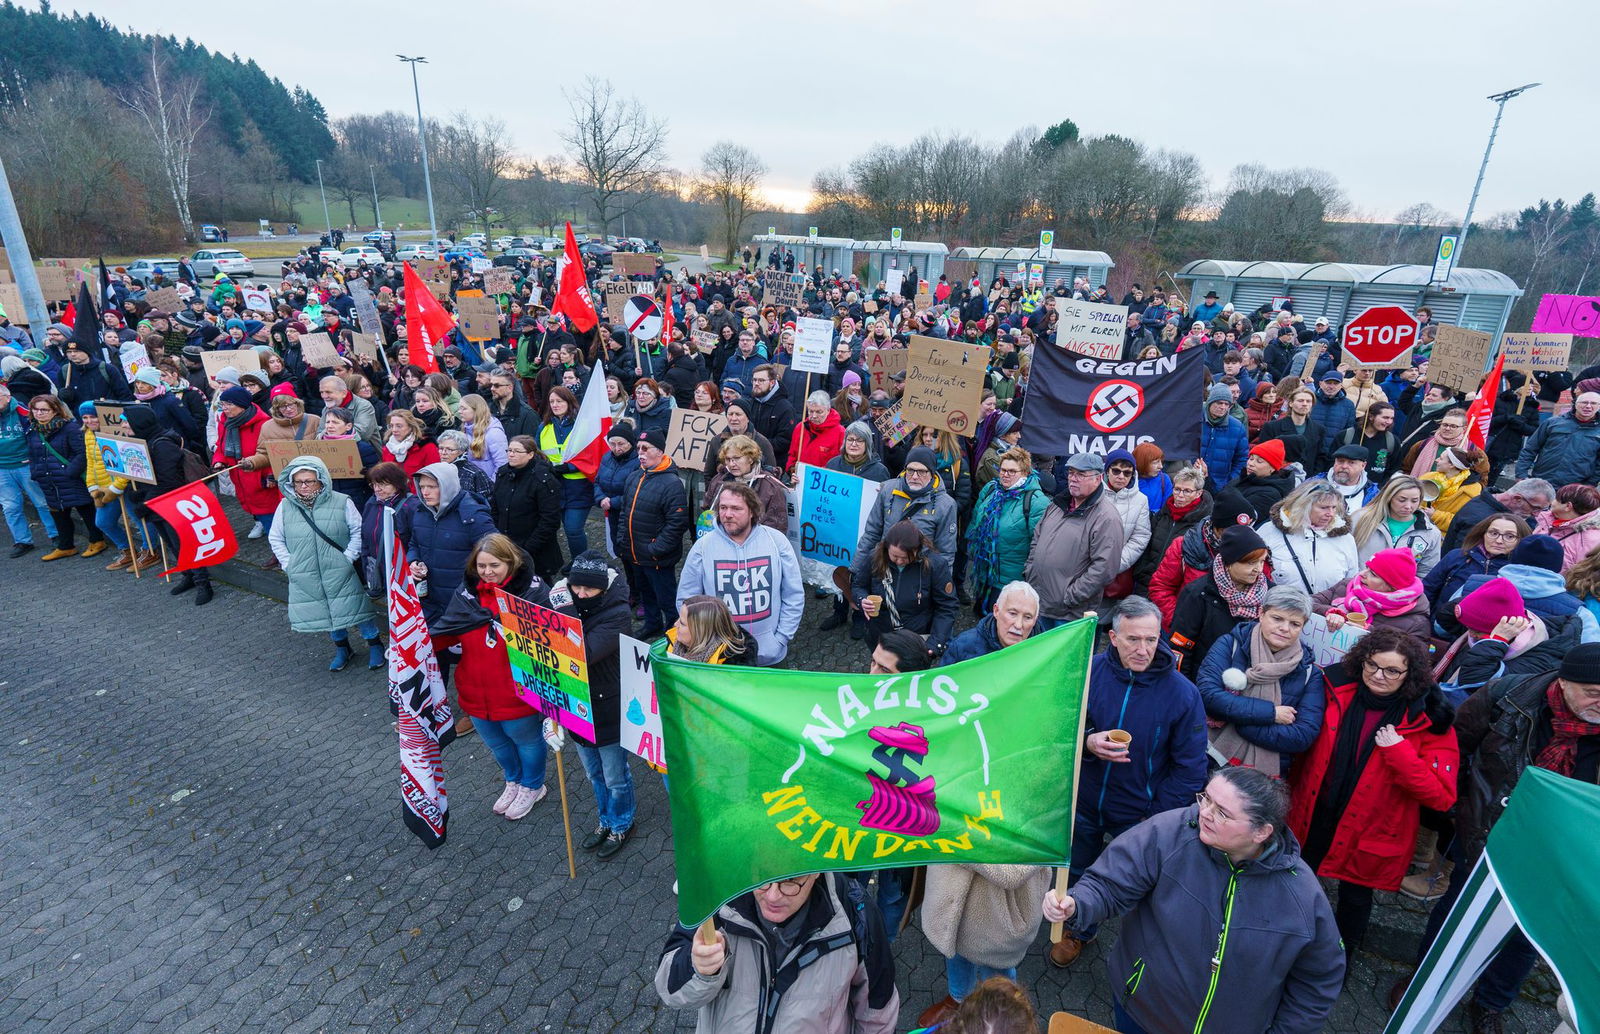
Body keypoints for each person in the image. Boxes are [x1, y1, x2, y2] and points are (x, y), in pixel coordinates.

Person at [1042, 767, 1345, 1034]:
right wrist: (1077, 904)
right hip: (1140, 1011)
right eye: (1206, 798)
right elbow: (1110, 883)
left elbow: (1318, 981)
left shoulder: (1303, 897)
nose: (1205, 813)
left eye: (1222, 812)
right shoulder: (1169, 832)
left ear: (1261, 832)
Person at [1394, 643, 1600, 1032]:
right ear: (1564, 681)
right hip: (1489, 835)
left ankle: (1491, 1002)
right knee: (1456, 913)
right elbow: (1453, 747)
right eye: (1593, 692)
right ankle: (1425, 985)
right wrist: (1457, 810)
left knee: (1529, 935)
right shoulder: (1508, 696)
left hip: (1560, 854)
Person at [1052, 596, 1208, 969]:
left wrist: (1153, 817)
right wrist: (1089, 742)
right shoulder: (1087, 672)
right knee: (1078, 869)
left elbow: (1190, 768)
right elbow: (1060, 724)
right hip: (1084, 801)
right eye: (1133, 639)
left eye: (1152, 640)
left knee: (1126, 881)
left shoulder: (1183, 694)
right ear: (1113, 637)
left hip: (1137, 813)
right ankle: (1076, 928)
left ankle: (1131, 944)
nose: (1144, 650)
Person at [1288, 627, 1458, 964]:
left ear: (1411, 674)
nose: (1379, 676)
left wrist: (1399, 752)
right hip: (1314, 810)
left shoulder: (1431, 720)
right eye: (1372, 666)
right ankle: (1287, 945)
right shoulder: (1333, 687)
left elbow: (1441, 797)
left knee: (1355, 895)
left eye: (1392, 670)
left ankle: (1340, 959)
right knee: (1296, 882)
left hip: (1370, 825)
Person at [654, 870, 900, 1034]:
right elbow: (669, 989)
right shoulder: (717, 898)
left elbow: (877, 1012)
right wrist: (698, 968)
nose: (772, 895)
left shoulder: (856, 914)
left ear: (816, 872)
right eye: (763, 875)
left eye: (790, 881)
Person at [430, 533, 552, 819]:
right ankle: (513, 781)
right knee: (497, 744)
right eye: (481, 566)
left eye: (494, 565)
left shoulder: (533, 594)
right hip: (474, 690)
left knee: (527, 742)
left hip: (516, 691)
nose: (487, 572)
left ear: (512, 562)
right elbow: (447, 630)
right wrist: (414, 646)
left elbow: (551, 646)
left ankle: (533, 786)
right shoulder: (466, 594)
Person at [548, 550, 637, 859]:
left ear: (603, 588)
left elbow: (579, 655)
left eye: (589, 589)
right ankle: (606, 819)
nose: (581, 594)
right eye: (575, 587)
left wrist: (567, 610)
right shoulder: (570, 599)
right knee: (593, 775)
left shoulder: (617, 613)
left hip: (607, 705)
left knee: (615, 775)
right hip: (577, 706)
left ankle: (622, 823)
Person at [266, 455, 384, 671]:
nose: (303, 486)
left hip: (340, 569)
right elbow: (276, 538)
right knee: (326, 612)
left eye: (308, 481)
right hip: (306, 572)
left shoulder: (342, 501)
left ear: (321, 480)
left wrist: (348, 557)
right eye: (298, 482)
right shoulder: (284, 506)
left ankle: (375, 644)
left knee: (357, 608)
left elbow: (358, 531)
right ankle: (342, 648)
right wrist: (288, 564)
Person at [1196, 585, 1323, 774]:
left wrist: (1240, 723)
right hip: (1207, 757)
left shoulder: (1308, 671)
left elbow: (1302, 736)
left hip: (1263, 777)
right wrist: (1271, 714)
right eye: (1277, 618)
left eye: (1295, 624)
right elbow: (1208, 696)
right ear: (1261, 614)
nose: (1284, 628)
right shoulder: (1231, 644)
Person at [676, 480, 803, 666]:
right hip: (720, 657)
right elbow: (686, 601)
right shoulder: (702, 547)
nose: (727, 514)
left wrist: (781, 638)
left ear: (752, 511)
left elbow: (794, 595)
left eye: (736, 508)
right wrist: (705, 643)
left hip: (771, 655)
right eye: (723, 507)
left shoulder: (777, 541)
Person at [915, 860, 1050, 1028]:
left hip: (998, 913)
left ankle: (1004, 1016)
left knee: (998, 973)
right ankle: (958, 998)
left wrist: (956, 845)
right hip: (951, 898)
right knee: (954, 949)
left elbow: (1013, 872)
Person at [1024, 453, 1124, 629]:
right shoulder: (1056, 504)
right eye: (1071, 473)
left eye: (1081, 474)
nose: (1073, 479)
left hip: (1069, 614)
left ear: (1098, 478)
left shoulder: (1107, 517)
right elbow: (1036, 540)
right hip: (1040, 603)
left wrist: (1070, 597)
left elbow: (1104, 569)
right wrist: (1031, 571)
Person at [1170, 525, 1272, 680]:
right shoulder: (1198, 594)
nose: (1258, 569)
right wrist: (1186, 688)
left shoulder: (1271, 594)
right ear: (1229, 562)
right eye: (1250, 563)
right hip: (1206, 682)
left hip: (1252, 683)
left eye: (1261, 561)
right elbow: (1180, 647)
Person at [407, 461, 498, 631]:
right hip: (430, 601)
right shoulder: (421, 512)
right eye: (422, 486)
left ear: (447, 485)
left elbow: (497, 555)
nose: (425, 492)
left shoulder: (473, 516)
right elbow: (414, 544)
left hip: (464, 604)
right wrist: (413, 561)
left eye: (432, 487)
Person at [1148, 489, 1258, 627]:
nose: (1241, 537)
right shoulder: (1185, 545)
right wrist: (1180, 621)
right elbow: (1161, 587)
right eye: (1232, 531)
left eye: (1246, 529)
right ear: (1218, 528)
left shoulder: (1256, 551)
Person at [618, 429, 690, 639]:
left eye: (645, 448)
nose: (640, 453)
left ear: (659, 452)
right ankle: (653, 624)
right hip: (635, 553)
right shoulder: (635, 476)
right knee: (646, 593)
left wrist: (655, 549)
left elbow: (677, 522)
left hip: (656, 557)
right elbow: (625, 510)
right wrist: (623, 539)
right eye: (638, 448)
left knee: (666, 598)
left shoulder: (671, 483)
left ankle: (674, 632)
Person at [852, 519, 958, 658]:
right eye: (895, 556)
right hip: (880, 636)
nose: (900, 561)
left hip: (915, 640)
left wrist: (936, 642)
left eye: (906, 557)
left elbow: (947, 605)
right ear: (886, 548)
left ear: (917, 550)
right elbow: (858, 586)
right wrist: (862, 600)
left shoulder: (935, 565)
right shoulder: (874, 558)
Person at [22, 393, 105, 561]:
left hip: (70, 478)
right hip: (47, 479)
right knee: (58, 512)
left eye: (44, 410)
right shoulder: (33, 430)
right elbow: (33, 454)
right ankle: (66, 546)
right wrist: (36, 472)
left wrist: (69, 473)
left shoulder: (70, 428)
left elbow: (81, 454)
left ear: (55, 410)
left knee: (85, 508)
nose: (39, 413)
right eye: (35, 410)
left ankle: (97, 540)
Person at [967, 449, 1048, 614]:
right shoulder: (991, 489)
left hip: (1011, 580)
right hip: (984, 574)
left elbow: (1039, 546)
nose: (1005, 475)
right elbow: (975, 521)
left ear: (1025, 473)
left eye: (1012, 471)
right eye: (1003, 470)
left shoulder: (1036, 502)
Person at [1257, 481, 1359, 597]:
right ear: (1303, 505)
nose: (1330, 513)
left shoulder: (1345, 539)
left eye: (1334, 507)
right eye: (1324, 507)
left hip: (1328, 612)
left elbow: (1350, 583)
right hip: (1280, 609)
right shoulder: (1269, 531)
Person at [858, 445, 958, 563]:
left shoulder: (946, 505)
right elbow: (871, 534)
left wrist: (943, 580)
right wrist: (856, 570)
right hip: (884, 567)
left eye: (921, 471)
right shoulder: (887, 490)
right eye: (910, 470)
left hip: (919, 574)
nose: (914, 477)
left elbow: (945, 552)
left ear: (932, 473)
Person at [490, 434, 564, 585]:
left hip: (536, 552)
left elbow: (550, 520)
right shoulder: (503, 473)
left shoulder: (543, 480)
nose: (511, 454)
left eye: (517, 451)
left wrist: (526, 549)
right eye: (509, 450)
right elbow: (495, 508)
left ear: (530, 454)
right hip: (507, 546)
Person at [1423, 513, 1530, 617]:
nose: (1499, 541)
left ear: (1521, 540)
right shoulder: (1457, 556)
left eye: (1510, 536)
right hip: (1439, 629)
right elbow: (1427, 591)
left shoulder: (1520, 571)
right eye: (1493, 533)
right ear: (1483, 533)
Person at [1313, 546, 1432, 639]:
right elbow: (1305, 602)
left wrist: (1370, 633)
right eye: (1367, 568)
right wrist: (1331, 613)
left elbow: (1416, 657)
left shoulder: (1417, 622)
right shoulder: (1347, 585)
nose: (1362, 574)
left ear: (1393, 587)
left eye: (1373, 574)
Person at [0, 381, 60, 557]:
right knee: (10, 507)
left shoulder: (24, 413)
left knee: (41, 501)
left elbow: (38, 435)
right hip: (2, 468)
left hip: (25, 464)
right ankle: (22, 541)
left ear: (7, 397)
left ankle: (55, 534)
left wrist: (36, 459)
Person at [1131, 468, 1209, 595]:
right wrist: (1142, 572)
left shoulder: (1202, 523)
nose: (1180, 495)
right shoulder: (1164, 513)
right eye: (1177, 489)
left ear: (1198, 493)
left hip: (1173, 590)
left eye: (1187, 491)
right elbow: (1147, 544)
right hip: (1145, 582)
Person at [538, 385, 594, 558]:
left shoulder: (583, 425)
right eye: (551, 401)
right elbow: (538, 453)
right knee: (562, 527)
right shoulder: (544, 427)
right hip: (554, 487)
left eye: (559, 401)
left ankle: (581, 563)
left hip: (579, 487)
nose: (555, 405)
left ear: (569, 402)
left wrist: (569, 467)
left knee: (573, 529)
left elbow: (591, 454)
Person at [1349, 474, 1443, 574]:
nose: (1408, 506)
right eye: (1402, 500)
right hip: (1358, 585)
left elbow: (1426, 572)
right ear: (1389, 497)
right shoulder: (1360, 518)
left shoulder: (1431, 533)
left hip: (1401, 589)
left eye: (1414, 501)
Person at [701, 435, 788, 534]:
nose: (732, 464)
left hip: (755, 546)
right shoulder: (718, 480)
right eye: (728, 459)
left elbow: (776, 527)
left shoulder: (770, 487)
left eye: (737, 458)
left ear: (750, 459)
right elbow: (707, 511)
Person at [941, 581, 1040, 665]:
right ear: (996, 611)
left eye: (1027, 617)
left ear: (1035, 621)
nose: (1018, 625)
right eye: (1013, 613)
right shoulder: (963, 646)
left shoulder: (1043, 653)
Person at [1515, 390, 1600, 488]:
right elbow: (1530, 449)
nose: (1588, 406)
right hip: (1542, 482)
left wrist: (1589, 485)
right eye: (1584, 402)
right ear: (1575, 404)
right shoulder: (1553, 423)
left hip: (1574, 488)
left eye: (1593, 403)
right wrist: (1521, 474)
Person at [1101, 449, 1151, 601]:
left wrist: (1116, 564)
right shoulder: (1092, 494)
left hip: (1119, 573)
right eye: (1116, 471)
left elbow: (1140, 536)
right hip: (1086, 570)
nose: (1121, 476)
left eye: (1127, 473)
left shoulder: (1141, 500)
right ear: (1107, 471)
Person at [667, 594, 757, 666]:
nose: (675, 624)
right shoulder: (667, 645)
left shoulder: (733, 665)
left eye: (682, 623)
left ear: (700, 632)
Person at [1534, 483, 1600, 572]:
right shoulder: (1547, 520)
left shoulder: (1589, 539)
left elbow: (1582, 573)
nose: (1552, 502)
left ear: (1568, 506)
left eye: (1556, 499)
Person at [1257, 386, 1326, 470]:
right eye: (1300, 400)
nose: (1305, 404)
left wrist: (1313, 478)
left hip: (1307, 478)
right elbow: (1263, 455)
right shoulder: (1271, 427)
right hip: (1279, 477)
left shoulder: (1319, 430)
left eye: (1308, 401)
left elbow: (1321, 457)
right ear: (1291, 403)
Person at [1198, 384, 1249, 492]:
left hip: (1219, 486)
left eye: (1227, 404)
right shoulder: (1194, 420)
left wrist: (1229, 483)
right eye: (1219, 403)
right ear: (1210, 401)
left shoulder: (1237, 427)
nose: (1223, 407)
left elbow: (1241, 459)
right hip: (1190, 481)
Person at [1227, 438, 1295, 517]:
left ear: (1272, 468)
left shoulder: (1270, 494)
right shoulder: (1241, 479)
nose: (1251, 463)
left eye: (1259, 461)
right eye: (1251, 458)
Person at [381, 409, 442, 488]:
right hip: (393, 495)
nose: (394, 430)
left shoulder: (427, 447)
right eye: (391, 426)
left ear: (411, 427)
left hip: (418, 496)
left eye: (399, 426)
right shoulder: (388, 448)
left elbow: (434, 477)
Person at [455, 393, 508, 485]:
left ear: (476, 410)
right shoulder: (464, 429)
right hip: (470, 484)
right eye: (460, 408)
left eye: (464, 408)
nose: (460, 411)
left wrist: (490, 484)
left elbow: (502, 464)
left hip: (488, 486)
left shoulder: (494, 433)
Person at [1133, 442, 1171, 513]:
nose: (1161, 466)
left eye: (1161, 461)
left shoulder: (1164, 479)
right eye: (1156, 462)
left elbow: (1167, 508)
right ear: (1142, 463)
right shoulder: (1129, 480)